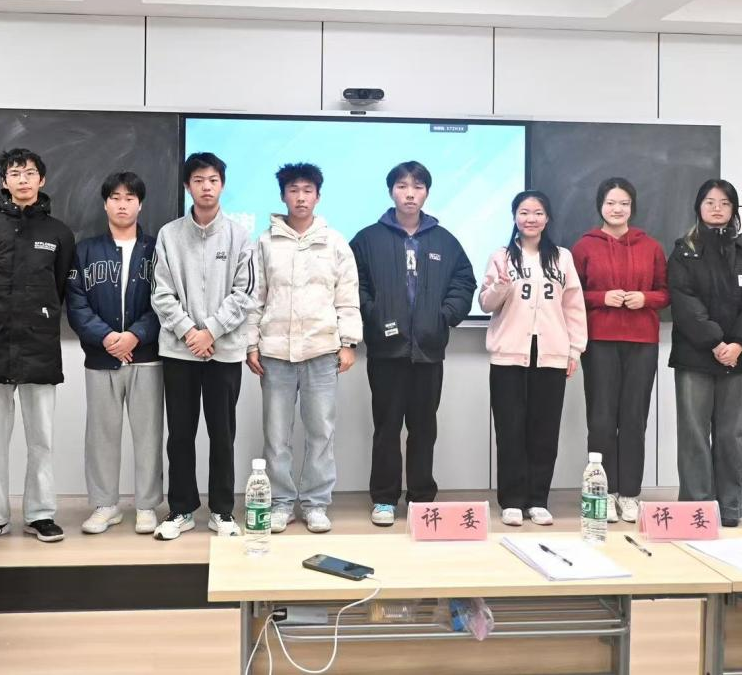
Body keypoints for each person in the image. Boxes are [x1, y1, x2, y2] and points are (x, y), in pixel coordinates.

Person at [350, 161, 476, 527]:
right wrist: (373, 314)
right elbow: (353, 284)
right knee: (387, 427)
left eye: (418, 187)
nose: (410, 193)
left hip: (428, 351)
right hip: (386, 352)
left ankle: (421, 498)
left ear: (426, 193)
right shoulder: (367, 239)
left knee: (424, 428)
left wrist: (443, 316)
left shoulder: (444, 240)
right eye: (403, 186)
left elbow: (464, 282)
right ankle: (384, 498)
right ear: (391, 191)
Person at [0, 148, 75, 547]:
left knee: (41, 439)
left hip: (39, 346)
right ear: (4, 181)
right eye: (15, 173)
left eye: (29, 173)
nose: (23, 180)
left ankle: (40, 514)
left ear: (42, 180)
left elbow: (60, 287)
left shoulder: (59, 233)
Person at [245, 163, 361, 535]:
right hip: (275, 353)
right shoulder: (265, 243)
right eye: (293, 190)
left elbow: (347, 296)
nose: (300, 197)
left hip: (322, 351)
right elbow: (255, 297)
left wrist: (348, 342)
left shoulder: (335, 242)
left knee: (321, 432)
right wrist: (251, 343)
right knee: (276, 435)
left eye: (307, 190)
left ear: (318, 196)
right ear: (283, 196)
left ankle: (315, 504)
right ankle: (280, 503)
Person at [150, 152, 256, 540]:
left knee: (222, 434)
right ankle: (181, 509)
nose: (206, 187)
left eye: (212, 180)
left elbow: (245, 293)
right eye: (198, 180)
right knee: (179, 433)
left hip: (223, 352)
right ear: (187, 186)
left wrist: (210, 331)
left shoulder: (240, 235)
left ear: (222, 185)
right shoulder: (169, 234)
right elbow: (160, 292)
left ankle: (222, 511)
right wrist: (188, 332)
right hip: (179, 352)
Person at [669, 179, 742, 527]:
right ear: (698, 207)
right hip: (696, 355)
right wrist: (715, 343)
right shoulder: (683, 251)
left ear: (733, 210)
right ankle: (696, 509)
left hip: (739, 357)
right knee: (693, 434)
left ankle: (729, 508)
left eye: (725, 203)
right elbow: (684, 303)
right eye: (710, 202)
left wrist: (738, 344)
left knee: (731, 434)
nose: (717, 208)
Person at [480, 190, 587, 527]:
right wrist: (500, 285)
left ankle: (538, 499)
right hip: (508, 356)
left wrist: (574, 349)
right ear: (515, 217)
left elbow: (574, 306)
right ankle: (512, 501)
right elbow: (485, 303)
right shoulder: (501, 256)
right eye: (524, 212)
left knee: (544, 431)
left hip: (551, 354)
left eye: (538, 212)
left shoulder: (562, 258)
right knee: (510, 430)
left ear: (547, 218)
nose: (531, 218)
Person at [67, 171, 164, 537]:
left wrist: (135, 336)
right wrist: (107, 337)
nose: (122, 205)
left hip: (146, 357)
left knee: (148, 435)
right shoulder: (86, 250)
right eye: (115, 198)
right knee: (101, 436)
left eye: (129, 198)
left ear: (140, 204)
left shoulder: (157, 249)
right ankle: (105, 505)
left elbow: (165, 301)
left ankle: (146, 505)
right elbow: (76, 303)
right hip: (101, 357)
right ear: (105, 204)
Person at [571, 178, 669, 524]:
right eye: (611, 203)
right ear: (600, 205)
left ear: (632, 207)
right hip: (599, 340)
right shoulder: (584, 246)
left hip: (642, 341)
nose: (617, 209)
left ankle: (629, 494)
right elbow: (571, 295)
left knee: (633, 418)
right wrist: (601, 297)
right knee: (600, 419)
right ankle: (603, 491)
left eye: (624, 203)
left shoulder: (650, 246)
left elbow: (666, 292)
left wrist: (646, 298)